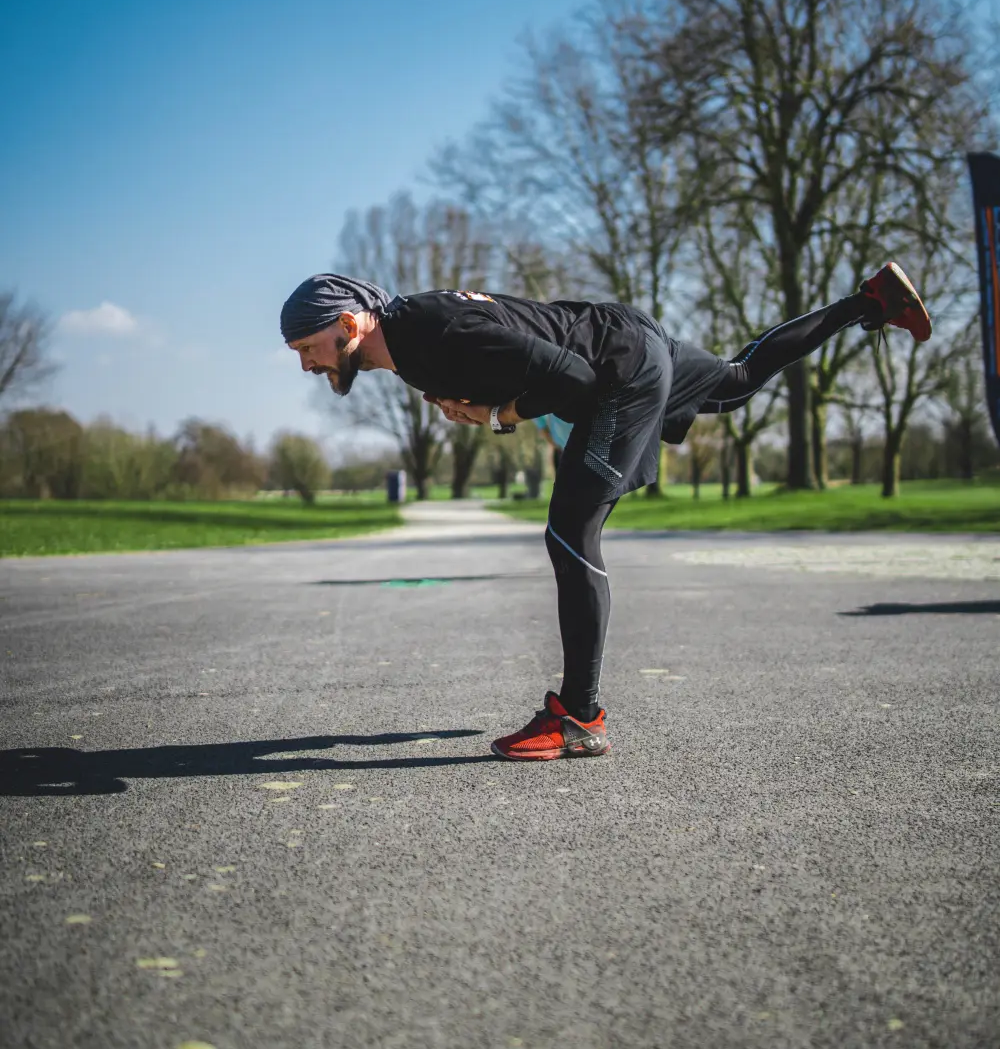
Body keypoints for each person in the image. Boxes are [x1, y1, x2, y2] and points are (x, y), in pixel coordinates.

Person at [280, 264, 931, 761]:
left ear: (347, 324)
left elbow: (573, 383)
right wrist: (481, 402)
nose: (305, 364)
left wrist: (501, 416)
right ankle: (869, 299)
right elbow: (528, 349)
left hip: (615, 365)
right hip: (622, 333)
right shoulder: (415, 335)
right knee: (734, 381)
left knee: (570, 533)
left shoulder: (433, 331)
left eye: (305, 346)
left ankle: (579, 719)